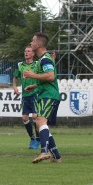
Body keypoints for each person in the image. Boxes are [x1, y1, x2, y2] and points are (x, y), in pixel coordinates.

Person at [23, 32, 63, 164]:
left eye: (33, 41)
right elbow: (47, 78)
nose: (31, 43)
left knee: (40, 121)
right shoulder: (42, 59)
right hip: (44, 94)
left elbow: (50, 76)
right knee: (41, 123)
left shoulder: (45, 59)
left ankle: (44, 151)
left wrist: (32, 75)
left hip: (49, 95)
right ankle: (56, 156)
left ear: (39, 44)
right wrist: (34, 86)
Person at [12, 46, 40, 149]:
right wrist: (15, 87)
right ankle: (32, 138)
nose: (26, 53)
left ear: (33, 54)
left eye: (28, 51)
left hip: (35, 93)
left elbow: (42, 78)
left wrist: (35, 86)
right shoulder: (20, 65)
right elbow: (15, 77)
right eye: (25, 51)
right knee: (24, 118)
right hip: (25, 95)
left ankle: (38, 139)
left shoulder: (37, 64)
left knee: (35, 117)